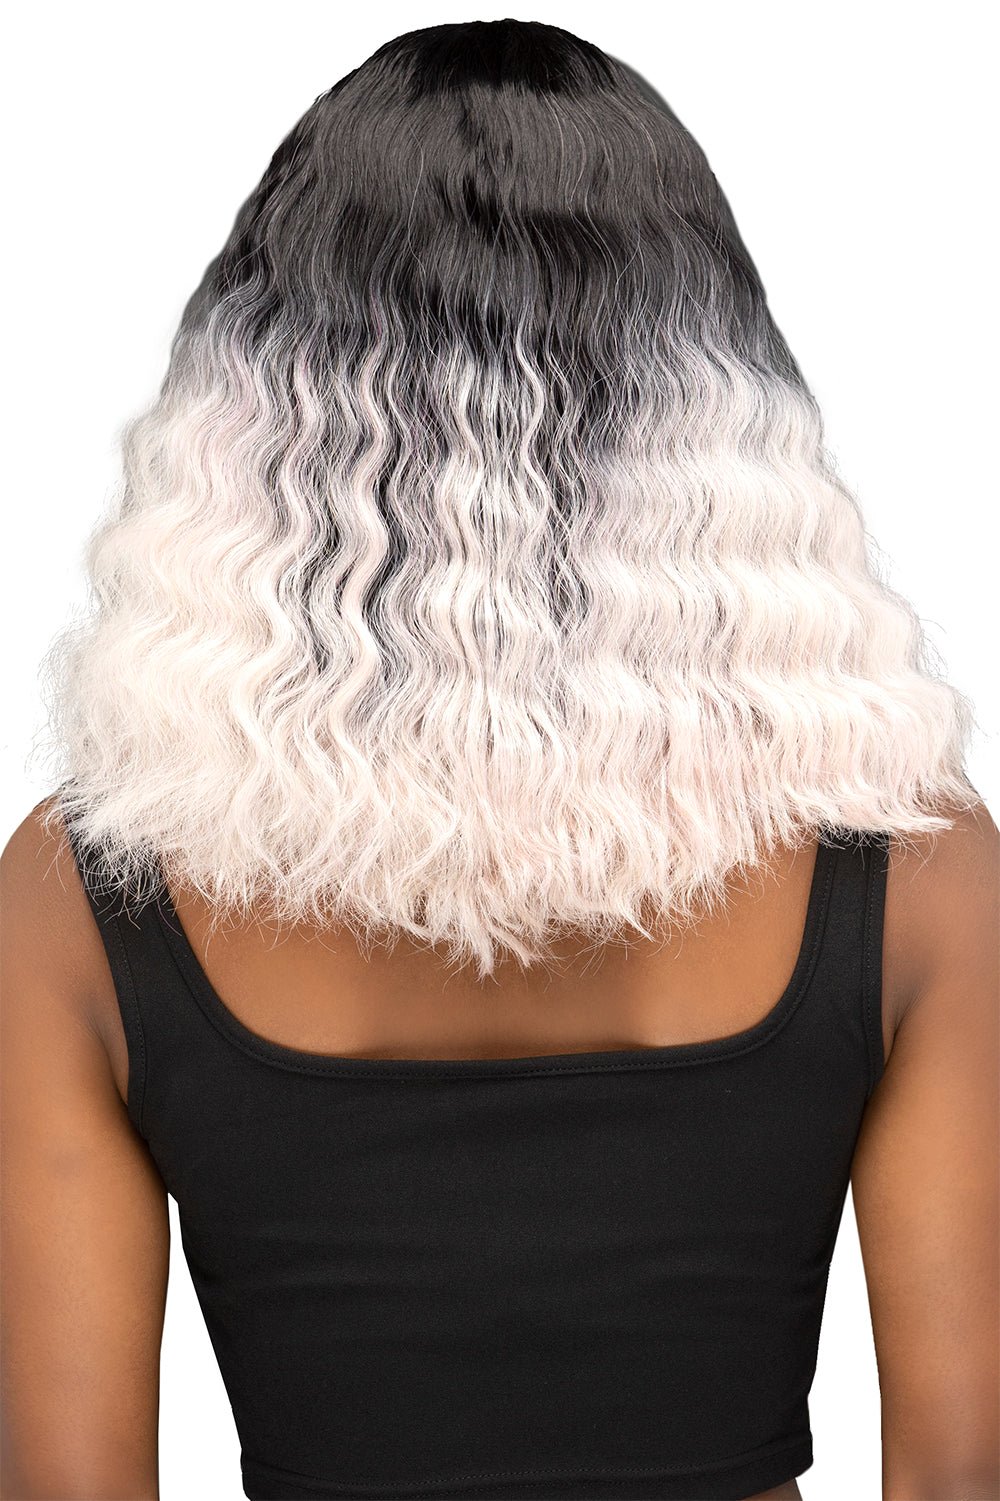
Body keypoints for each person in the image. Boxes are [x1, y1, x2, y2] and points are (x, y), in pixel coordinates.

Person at [1, 19, 997, 1501]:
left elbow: (64, 1488)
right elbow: (964, 1467)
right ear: (709, 398)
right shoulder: (916, 863)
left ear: (260, 411)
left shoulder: (79, 893)